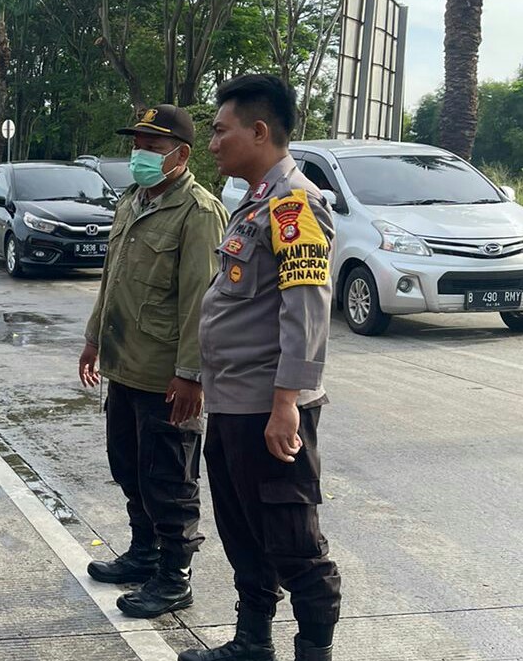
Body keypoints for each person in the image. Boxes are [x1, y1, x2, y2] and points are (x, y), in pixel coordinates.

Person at [181, 75, 341, 661]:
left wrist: (286, 404)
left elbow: (307, 310)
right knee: (244, 532)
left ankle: (314, 651)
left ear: (258, 131)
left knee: (292, 539)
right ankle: (252, 642)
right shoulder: (254, 203)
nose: (212, 144)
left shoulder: (294, 205)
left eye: (220, 131)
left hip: (267, 408)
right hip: (232, 404)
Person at [80, 105, 228, 618]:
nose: (139, 154)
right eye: (137, 144)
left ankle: (174, 576)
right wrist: (94, 338)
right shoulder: (133, 200)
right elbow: (112, 278)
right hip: (124, 364)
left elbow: (201, 302)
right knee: (128, 466)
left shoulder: (199, 213)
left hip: (166, 377)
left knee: (169, 479)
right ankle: (143, 553)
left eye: (152, 147)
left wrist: (191, 375)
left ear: (180, 155)